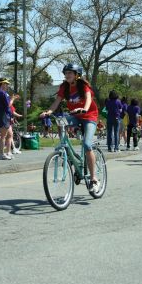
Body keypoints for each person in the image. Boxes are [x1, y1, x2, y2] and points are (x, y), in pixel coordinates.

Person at [40, 63, 100, 193]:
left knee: (87, 144)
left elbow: (88, 99)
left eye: (70, 73)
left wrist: (84, 108)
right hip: (75, 115)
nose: (67, 75)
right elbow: (56, 102)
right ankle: (67, 151)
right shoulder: (64, 87)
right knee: (61, 121)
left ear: (77, 75)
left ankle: (94, 179)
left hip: (89, 116)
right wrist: (48, 112)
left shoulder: (83, 85)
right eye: (66, 73)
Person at [0, 78, 14, 160]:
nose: (7, 85)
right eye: (6, 83)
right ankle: (1, 154)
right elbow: (8, 105)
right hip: (3, 115)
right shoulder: (2, 93)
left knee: (10, 134)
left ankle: (8, 152)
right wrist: (13, 99)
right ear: (2, 84)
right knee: (3, 135)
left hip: (4, 115)